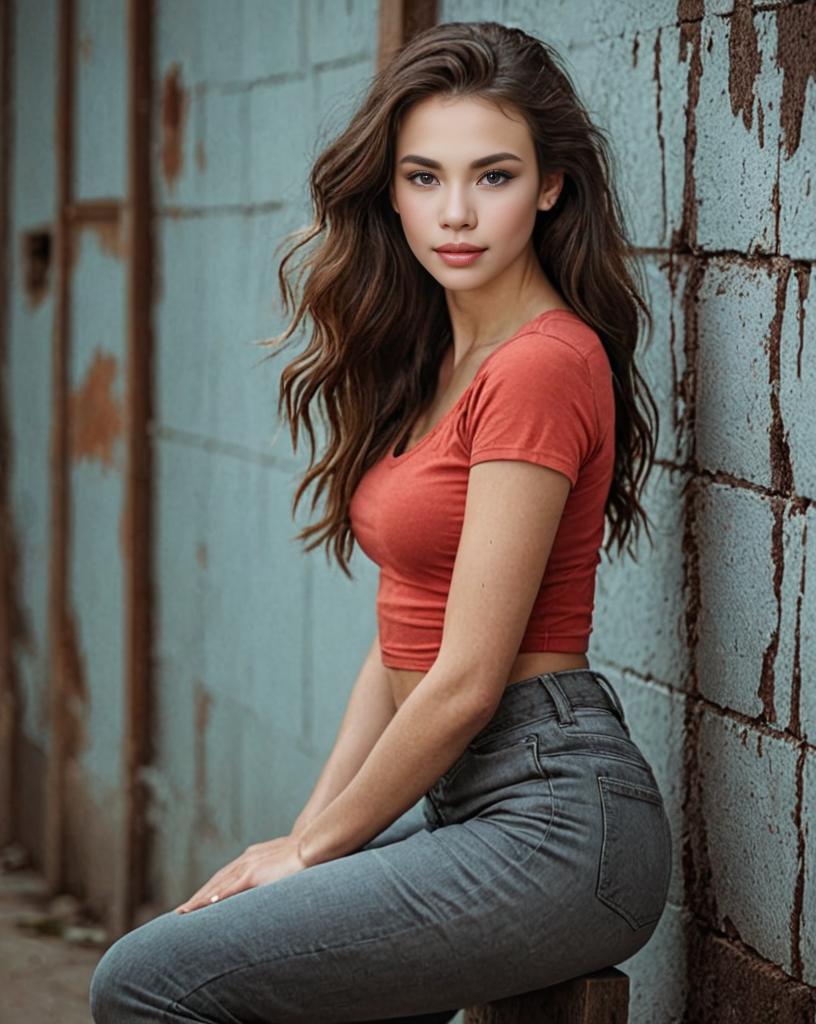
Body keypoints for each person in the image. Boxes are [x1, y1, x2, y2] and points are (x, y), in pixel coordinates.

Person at [90, 20, 669, 1023]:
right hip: (469, 798)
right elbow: (397, 646)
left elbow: (464, 682)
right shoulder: (437, 364)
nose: (454, 213)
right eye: (422, 177)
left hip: (558, 823)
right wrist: (308, 830)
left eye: (492, 176)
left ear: (550, 184)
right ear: (389, 188)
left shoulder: (542, 363)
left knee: (144, 982)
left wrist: (309, 853)